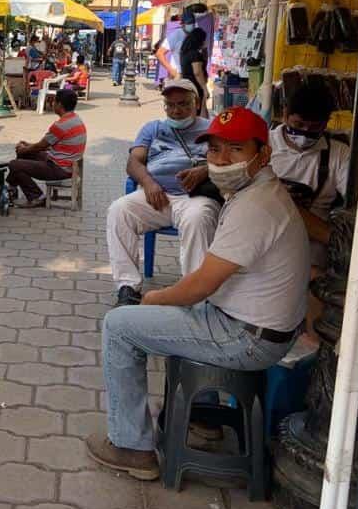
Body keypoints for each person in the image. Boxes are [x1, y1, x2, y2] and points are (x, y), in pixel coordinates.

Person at [88, 106, 310, 481]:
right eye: (215, 150)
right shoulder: (257, 190)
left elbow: (201, 285)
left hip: (246, 337)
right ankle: (201, 418)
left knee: (119, 325)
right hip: (250, 324)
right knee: (170, 315)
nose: (222, 160)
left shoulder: (256, 205)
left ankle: (131, 447)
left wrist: (157, 298)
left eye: (236, 150)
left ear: (263, 154)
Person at [107, 79, 220, 307]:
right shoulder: (153, 128)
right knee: (119, 210)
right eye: (170, 105)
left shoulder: (213, 128)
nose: (176, 111)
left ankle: (194, 292)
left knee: (198, 218)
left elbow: (230, 162)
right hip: (157, 197)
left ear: (196, 104)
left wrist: (205, 170)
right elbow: (134, 162)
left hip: (194, 197)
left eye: (183, 104)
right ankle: (127, 287)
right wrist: (148, 183)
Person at [270, 82, 350, 277]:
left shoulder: (338, 154)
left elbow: (356, 197)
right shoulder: (262, 144)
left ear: (327, 123)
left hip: (312, 242)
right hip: (266, 232)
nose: (305, 132)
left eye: (315, 127)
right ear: (285, 114)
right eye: (298, 124)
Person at [7, 88, 86, 208]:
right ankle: (12, 187)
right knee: (23, 155)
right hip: (66, 163)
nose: (52, 104)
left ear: (59, 104)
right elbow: (46, 144)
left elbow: (41, 146)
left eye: (54, 101)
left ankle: (36, 196)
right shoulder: (75, 119)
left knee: (14, 165)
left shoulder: (61, 125)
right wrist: (27, 146)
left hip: (60, 168)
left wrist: (24, 148)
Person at [179, 24, 210, 115]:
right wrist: (204, 88)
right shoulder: (195, 55)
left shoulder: (185, 53)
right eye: (204, 40)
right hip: (196, 86)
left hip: (188, 84)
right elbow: (197, 72)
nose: (205, 42)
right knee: (200, 108)